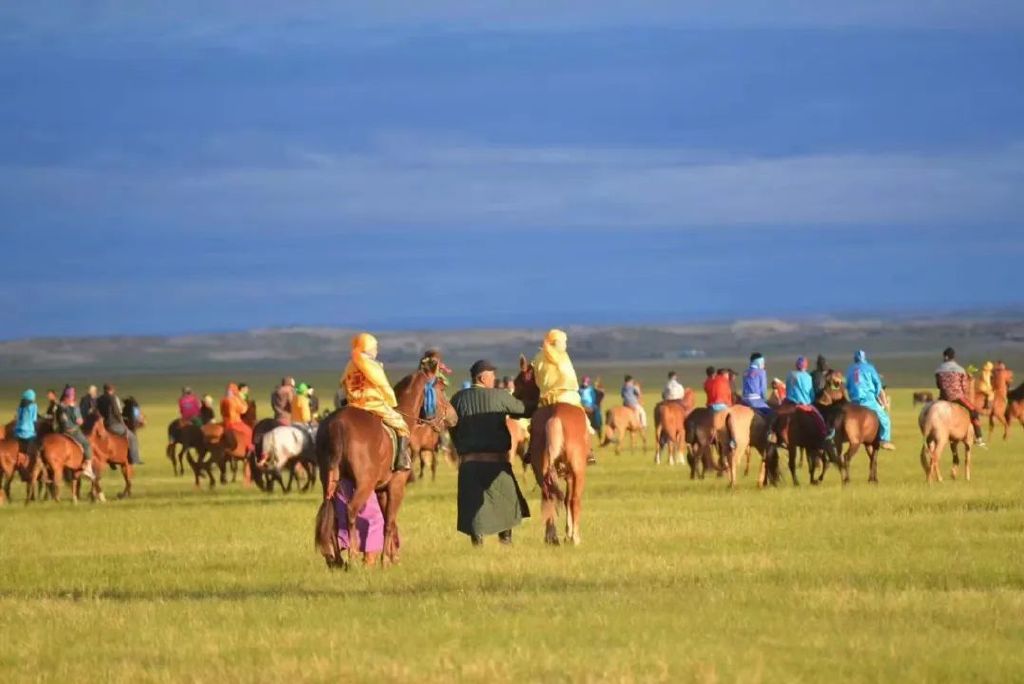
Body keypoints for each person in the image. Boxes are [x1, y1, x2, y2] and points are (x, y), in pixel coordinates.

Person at [451, 359, 532, 546]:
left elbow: (451, 428)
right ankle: (506, 541)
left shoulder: (457, 398)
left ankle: (477, 545)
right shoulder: (499, 396)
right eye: (492, 375)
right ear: (482, 377)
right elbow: (523, 410)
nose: (494, 378)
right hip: (496, 462)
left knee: (472, 505)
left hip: (469, 463)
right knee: (506, 500)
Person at [342, 332, 411, 471]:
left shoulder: (350, 364)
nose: (376, 351)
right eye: (374, 348)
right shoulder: (371, 365)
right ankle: (401, 460)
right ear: (367, 348)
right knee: (401, 424)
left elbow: (343, 384)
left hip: (353, 404)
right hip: (372, 404)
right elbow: (383, 385)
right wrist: (392, 402)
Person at [935, 347, 986, 447]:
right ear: (954, 357)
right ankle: (979, 437)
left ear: (944, 357)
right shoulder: (960, 370)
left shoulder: (938, 370)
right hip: (957, 397)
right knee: (973, 411)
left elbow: (938, 385)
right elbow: (964, 387)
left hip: (943, 397)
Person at [846, 350, 895, 450]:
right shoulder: (869, 368)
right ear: (864, 358)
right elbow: (878, 384)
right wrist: (876, 395)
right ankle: (884, 440)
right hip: (868, 400)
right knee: (885, 418)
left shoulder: (850, 369)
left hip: (854, 401)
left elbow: (847, 385)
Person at [532, 329, 583, 408]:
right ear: (556, 342)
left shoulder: (538, 357)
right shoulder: (563, 356)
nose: (565, 345)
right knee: (584, 418)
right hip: (567, 396)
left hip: (545, 399)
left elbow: (537, 379)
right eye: (564, 342)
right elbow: (570, 377)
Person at [97, 383, 142, 464]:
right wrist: (122, 423)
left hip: (103, 425)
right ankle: (135, 459)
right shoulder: (112, 398)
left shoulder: (99, 399)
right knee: (132, 437)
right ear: (112, 390)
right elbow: (116, 412)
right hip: (113, 424)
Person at [58, 387, 95, 480]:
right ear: (72, 396)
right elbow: (79, 421)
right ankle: (87, 466)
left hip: (62, 432)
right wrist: (82, 421)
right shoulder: (74, 408)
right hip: (73, 431)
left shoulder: (60, 406)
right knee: (86, 444)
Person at [219, 383, 253, 453]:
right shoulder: (234, 400)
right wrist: (243, 402)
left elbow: (221, 412)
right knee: (249, 431)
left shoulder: (223, 400)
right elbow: (243, 410)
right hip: (235, 422)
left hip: (225, 422)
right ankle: (249, 447)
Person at [14, 389, 40, 461]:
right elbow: (34, 418)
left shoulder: (20, 406)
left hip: (18, 430)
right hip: (28, 430)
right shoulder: (33, 406)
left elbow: (17, 417)